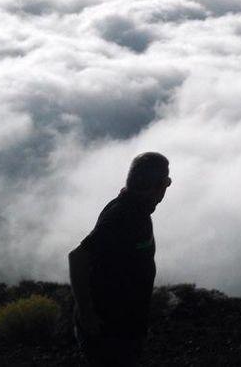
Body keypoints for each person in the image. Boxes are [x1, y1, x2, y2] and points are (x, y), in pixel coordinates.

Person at [69, 152, 171, 366]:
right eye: (167, 182)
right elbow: (78, 257)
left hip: (124, 324)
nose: (167, 189)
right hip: (110, 327)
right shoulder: (124, 216)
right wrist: (87, 314)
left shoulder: (133, 209)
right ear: (158, 185)